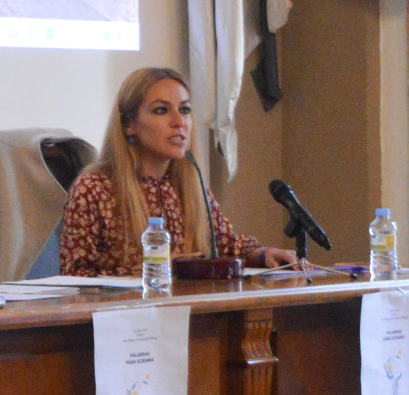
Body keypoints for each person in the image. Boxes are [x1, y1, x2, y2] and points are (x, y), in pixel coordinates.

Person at [60, 67, 296, 276]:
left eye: (184, 110)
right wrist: (148, 272)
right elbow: (73, 278)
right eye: (161, 110)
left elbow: (229, 245)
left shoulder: (188, 183)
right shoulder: (94, 189)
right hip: (124, 319)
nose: (179, 122)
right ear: (128, 125)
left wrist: (265, 253)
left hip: (191, 316)